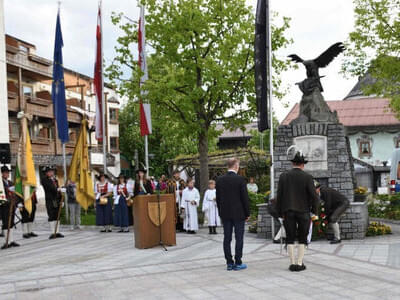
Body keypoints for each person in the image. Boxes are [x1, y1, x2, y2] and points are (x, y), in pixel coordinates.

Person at [276, 151, 319, 272]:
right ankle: (299, 263)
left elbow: (279, 196)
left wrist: (279, 213)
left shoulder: (283, 176)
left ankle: (292, 263)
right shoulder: (307, 177)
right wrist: (314, 212)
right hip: (304, 211)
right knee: (302, 237)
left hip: (288, 211)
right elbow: (314, 197)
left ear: (293, 163)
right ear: (302, 165)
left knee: (289, 237)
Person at [216, 158, 250, 271]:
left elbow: (218, 198)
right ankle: (238, 262)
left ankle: (229, 263)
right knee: (239, 238)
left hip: (225, 213)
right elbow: (245, 198)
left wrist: (221, 212)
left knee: (227, 238)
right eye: (238, 165)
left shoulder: (220, 180)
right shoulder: (240, 180)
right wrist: (247, 213)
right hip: (239, 213)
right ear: (236, 166)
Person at [42, 166, 64, 240]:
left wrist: (61, 199)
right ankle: (52, 232)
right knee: (51, 215)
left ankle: (57, 232)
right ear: (46, 173)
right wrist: (58, 189)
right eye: (50, 172)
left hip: (57, 200)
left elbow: (58, 190)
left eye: (52, 171)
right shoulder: (45, 180)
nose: (52, 173)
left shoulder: (55, 180)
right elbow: (51, 188)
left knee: (57, 215)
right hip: (50, 200)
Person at [1, 166, 19, 249]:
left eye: (8, 172)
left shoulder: (11, 182)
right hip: (4, 206)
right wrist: (7, 200)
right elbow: (1, 195)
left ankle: (11, 240)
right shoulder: (0, 183)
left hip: (12, 206)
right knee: (5, 223)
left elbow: (15, 194)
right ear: (1, 174)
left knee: (11, 222)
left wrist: (15, 203)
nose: (7, 174)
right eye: (5, 172)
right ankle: (6, 241)